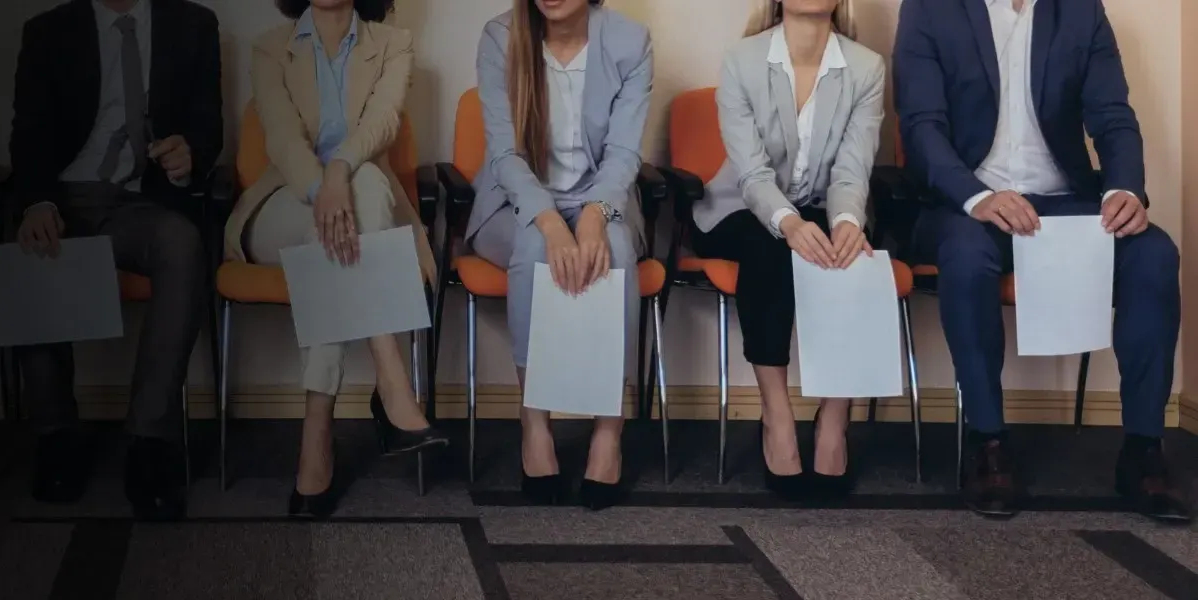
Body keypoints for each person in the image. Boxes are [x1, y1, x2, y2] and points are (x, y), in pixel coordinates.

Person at [895, 0, 1184, 521]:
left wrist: (1125, 188)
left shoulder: (1080, 10)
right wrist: (977, 197)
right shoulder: (929, 8)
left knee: (1155, 255)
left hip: (1064, 201)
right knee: (965, 256)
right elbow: (921, 126)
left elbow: (1113, 116)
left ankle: (1144, 449)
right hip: (965, 205)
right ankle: (988, 443)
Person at [227, 0, 442, 520]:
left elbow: (382, 124)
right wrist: (320, 187)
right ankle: (390, 376)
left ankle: (316, 426)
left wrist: (339, 171)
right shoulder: (270, 48)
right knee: (332, 218)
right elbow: (280, 138)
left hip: (361, 203)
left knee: (361, 185)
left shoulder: (393, 44)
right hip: (282, 203)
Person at [8, 0, 222, 521]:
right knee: (30, 250)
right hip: (66, 198)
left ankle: (150, 439)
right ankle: (56, 435)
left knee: (183, 242)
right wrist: (37, 202)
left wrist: (191, 152)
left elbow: (207, 125)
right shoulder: (46, 32)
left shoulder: (193, 24)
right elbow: (29, 133)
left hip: (143, 201)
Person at [694, 0, 882, 502]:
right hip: (739, 208)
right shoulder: (742, 60)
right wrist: (790, 224)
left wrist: (845, 223)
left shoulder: (865, 67)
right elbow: (752, 174)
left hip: (824, 203)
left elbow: (851, 170)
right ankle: (776, 412)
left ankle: (834, 416)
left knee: (854, 249)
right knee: (771, 247)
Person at [466, 0, 651, 510]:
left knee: (614, 253)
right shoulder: (501, 38)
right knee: (533, 250)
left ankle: (608, 433)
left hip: (603, 198)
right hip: (516, 204)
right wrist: (549, 222)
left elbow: (624, 153)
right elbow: (504, 154)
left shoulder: (629, 41)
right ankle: (534, 424)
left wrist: (594, 215)